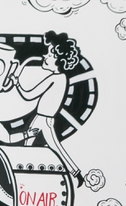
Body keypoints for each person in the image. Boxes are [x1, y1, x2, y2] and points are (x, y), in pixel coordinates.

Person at [12, 31, 83, 187]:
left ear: (59, 59)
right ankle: (75, 173)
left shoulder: (55, 78)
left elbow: (29, 95)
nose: (45, 56)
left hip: (44, 119)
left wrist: (17, 83)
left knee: (42, 147)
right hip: (43, 118)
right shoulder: (62, 78)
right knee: (36, 147)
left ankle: (25, 177)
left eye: (50, 54)